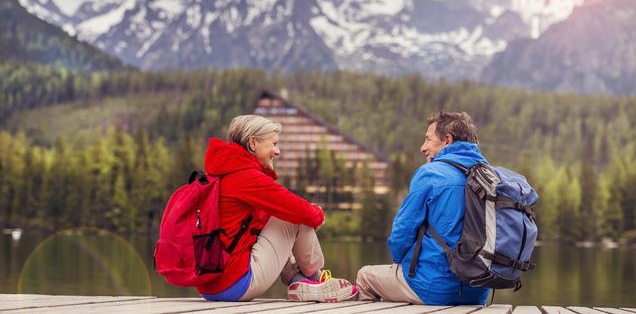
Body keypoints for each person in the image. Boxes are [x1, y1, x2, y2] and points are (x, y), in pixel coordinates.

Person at [198, 115, 358, 302]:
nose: (277, 151)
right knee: (296, 216)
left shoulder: (222, 174)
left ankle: (299, 281)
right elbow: (301, 211)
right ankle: (315, 277)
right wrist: (317, 213)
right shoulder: (246, 177)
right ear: (253, 142)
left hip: (210, 286)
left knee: (277, 216)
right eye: (273, 143)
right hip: (235, 284)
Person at [355, 111, 490, 305]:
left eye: (428, 139)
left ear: (447, 141)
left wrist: (399, 261)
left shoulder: (431, 173)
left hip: (433, 287)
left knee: (365, 276)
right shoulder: (488, 176)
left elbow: (402, 232)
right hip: (478, 291)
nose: (422, 148)